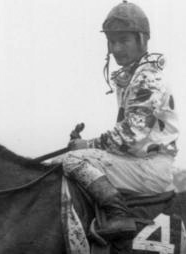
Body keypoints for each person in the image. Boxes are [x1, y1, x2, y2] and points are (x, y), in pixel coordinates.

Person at [60, 1, 178, 240]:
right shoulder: (132, 76)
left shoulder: (148, 78)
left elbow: (131, 136)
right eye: (112, 42)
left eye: (123, 40)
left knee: (73, 161)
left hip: (150, 167)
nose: (116, 48)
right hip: (139, 162)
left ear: (142, 40)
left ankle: (118, 215)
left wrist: (87, 146)